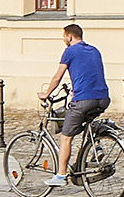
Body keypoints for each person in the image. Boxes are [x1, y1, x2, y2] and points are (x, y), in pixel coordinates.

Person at [45, 23, 114, 159]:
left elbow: (57, 77)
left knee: (66, 137)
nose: (64, 40)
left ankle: (61, 176)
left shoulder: (70, 51)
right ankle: (96, 147)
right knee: (88, 122)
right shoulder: (94, 50)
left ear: (70, 37)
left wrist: (46, 93)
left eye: (64, 37)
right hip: (103, 98)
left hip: (84, 99)